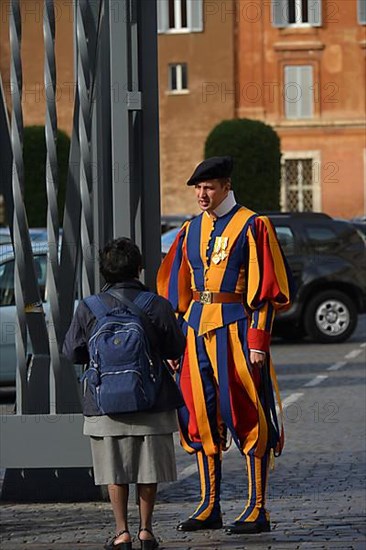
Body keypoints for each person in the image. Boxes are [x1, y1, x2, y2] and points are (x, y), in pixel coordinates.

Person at [157, 156, 295, 535]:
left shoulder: (253, 226)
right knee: (198, 417)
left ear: (226, 187)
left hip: (236, 330)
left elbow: (266, 292)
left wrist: (258, 342)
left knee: (246, 412)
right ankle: (209, 504)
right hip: (194, 332)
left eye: (210, 187)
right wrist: (175, 341)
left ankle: (257, 507)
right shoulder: (190, 229)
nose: (203, 194)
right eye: (199, 188)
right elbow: (177, 290)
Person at [63, 237, 186, 550]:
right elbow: (175, 347)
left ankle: (122, 533)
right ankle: (146, 530)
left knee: (114, 469)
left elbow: (72, 352)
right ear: (140, 269)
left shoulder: (88, 307)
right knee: (148, 469)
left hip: (105, 401)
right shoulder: (157, 305)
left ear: (104, 273)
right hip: (153, 397)